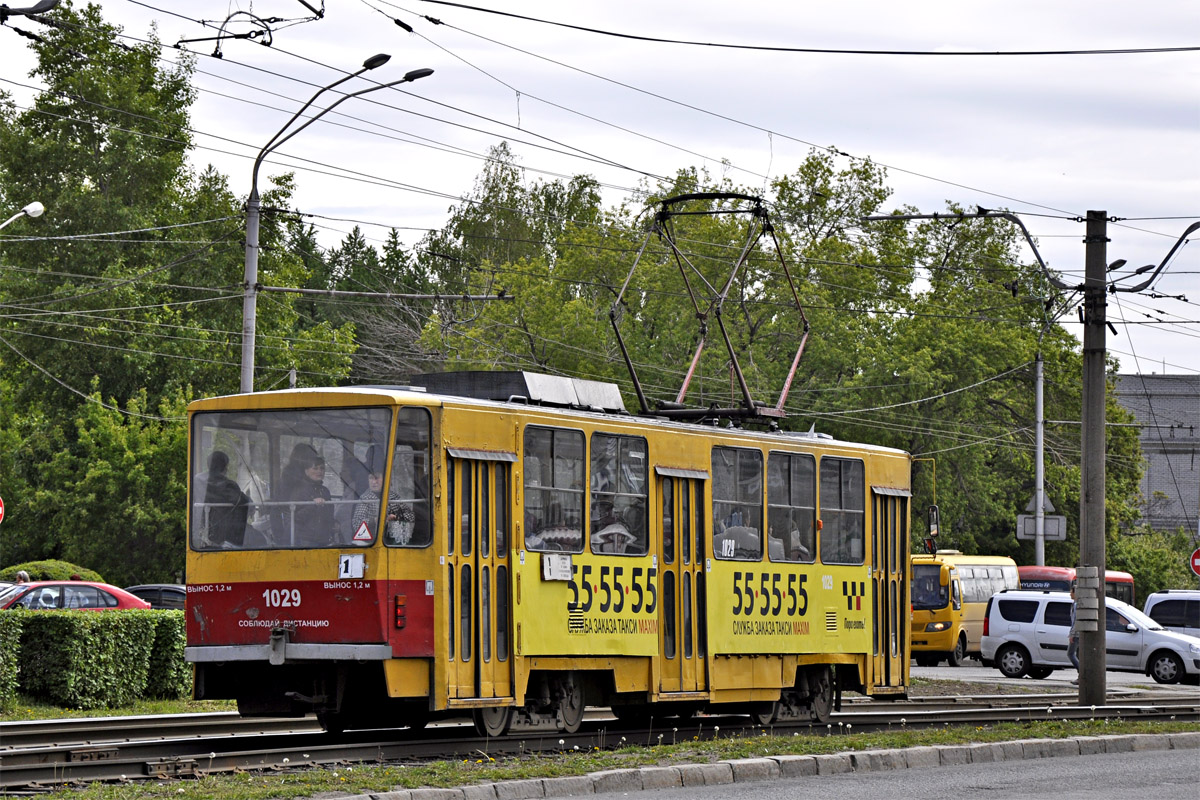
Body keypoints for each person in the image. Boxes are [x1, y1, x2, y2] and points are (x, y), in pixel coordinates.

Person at [273, 443, 335, 546]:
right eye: (315, 468)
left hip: (319, 536)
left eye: (322, 468)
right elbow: (294, 513)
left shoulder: (324, 490)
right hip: (300, 531)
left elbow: (328, 512)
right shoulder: (296, 483)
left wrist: (333, 524)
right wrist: (312, 505)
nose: (319, 471)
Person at [350, 469, 413, 545]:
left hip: (394, 539)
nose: (374, 482)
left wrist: (397, 518)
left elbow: (410, 516)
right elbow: (356, 523)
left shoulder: (394, 497)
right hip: (371, 541)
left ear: (385, 479)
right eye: (371, 478)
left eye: (377, 478)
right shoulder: (365, 498)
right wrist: (376, 520)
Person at [204, 451, 253, 547]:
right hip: (231, 535)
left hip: (209, 533)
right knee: (263, 540)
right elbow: (244, 502)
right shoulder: (229, 485)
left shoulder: (200, 484)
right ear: (225, 467)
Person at [1068, 585, 1080, 684]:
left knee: (1070, 653)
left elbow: (1075, 621)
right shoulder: (1075, 603)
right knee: (1078, 655)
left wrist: (1072, 634)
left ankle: (1082, 674)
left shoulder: (1076, 605)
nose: (1070, 594)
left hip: (1076, 634)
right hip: (1077, 633)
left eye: (1071, 592)